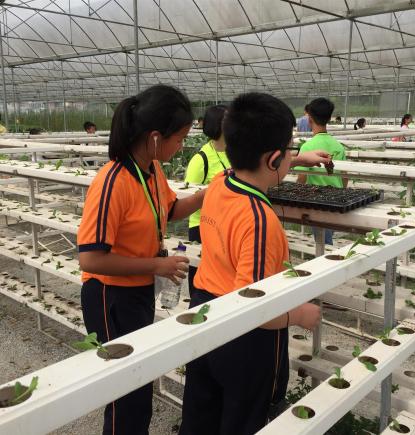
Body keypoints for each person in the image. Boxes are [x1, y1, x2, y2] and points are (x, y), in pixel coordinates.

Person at [179, 92, 328, 435]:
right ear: (274, 159)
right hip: (243, 340)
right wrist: (298, 315)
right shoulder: (259, 221)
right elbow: (254, 310)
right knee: (244, 419)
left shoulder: (220, 184)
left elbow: (254, 166)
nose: (292, 157)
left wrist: (298, 158)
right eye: (290, 151)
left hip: (205, 314)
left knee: (202, 412)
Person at [77, 85, 206, 435]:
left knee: (139, 382)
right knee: (126, 393)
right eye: (179, 138)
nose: (181, 146)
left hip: (135, 292)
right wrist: (156, 265)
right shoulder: (113, 182)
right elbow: (90, 258)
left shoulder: (150, 170)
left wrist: (206, 195)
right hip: (109, 295)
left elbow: (171, 209)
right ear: (154, 137)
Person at [184, 104, 230, 295]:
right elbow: (188, 197)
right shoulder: (201, 159)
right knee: (201, 282)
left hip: (226, 226)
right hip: (202, 227)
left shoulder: (235, 153)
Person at [295, 98, 347, 245]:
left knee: (322, 240)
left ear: (310, 119)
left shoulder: (307, 147)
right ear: (329, 118)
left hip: (316, 200)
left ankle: (325, 264)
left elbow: (302, 178)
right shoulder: (338, 146)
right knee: (326, 235)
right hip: (335, 198)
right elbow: (344, 176)